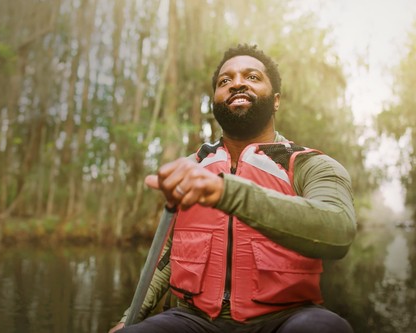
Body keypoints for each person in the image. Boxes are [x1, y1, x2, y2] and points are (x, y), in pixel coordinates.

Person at [109, 44, 356, 333]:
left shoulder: (311, 165)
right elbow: (165, 256)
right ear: (215, 100)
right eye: (225, 81)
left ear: (276, 100)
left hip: (287, 318)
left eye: (252, 77)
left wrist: (227, 192)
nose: (236, 83)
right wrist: (129, 319)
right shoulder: (191, 167)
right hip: (194, 320)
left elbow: (338, 231)